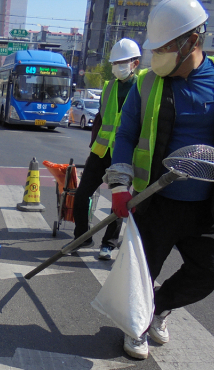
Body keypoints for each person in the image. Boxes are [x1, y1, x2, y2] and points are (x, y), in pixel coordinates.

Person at [105, 0, 214, 359]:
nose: (160, 55)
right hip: (155, 201)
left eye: (167, 47)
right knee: (140, 275)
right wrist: (120, 186)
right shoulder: (146, 83)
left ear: (193, 40)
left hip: (206, 205)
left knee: (208, 273)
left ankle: (159, 309)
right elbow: (124, 135)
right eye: (157, 48)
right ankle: (135, 326)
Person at [70, 39, 142, 260]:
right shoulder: (109, 87)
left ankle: (108, 244)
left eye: (122, 62)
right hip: (100, 152)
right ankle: (83, 236)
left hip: (125, 153)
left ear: (135, 63)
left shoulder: (142, 87)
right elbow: (101, 117)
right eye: (114, 62)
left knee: (118, 201)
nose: (117, 67)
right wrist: (93, 142)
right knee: (81, 196)